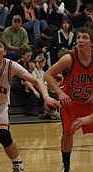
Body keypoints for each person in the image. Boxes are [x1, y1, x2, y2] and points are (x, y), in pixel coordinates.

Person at [0, 35, 59, 172]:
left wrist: (46, 97)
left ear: (4, 51)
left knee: (3, 135)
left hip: (0, 106)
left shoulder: (11, 66)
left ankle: (18, 165)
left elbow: (37, 81)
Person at [44, 27, 93, 172]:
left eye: (84, 38)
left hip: (88, 102)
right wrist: (60, 93)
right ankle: (66, 166)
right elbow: (48, 75)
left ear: (92, 43)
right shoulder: (69, 58)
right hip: (69, 102)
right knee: (68, 133)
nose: (80, 40)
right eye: (78, 37)